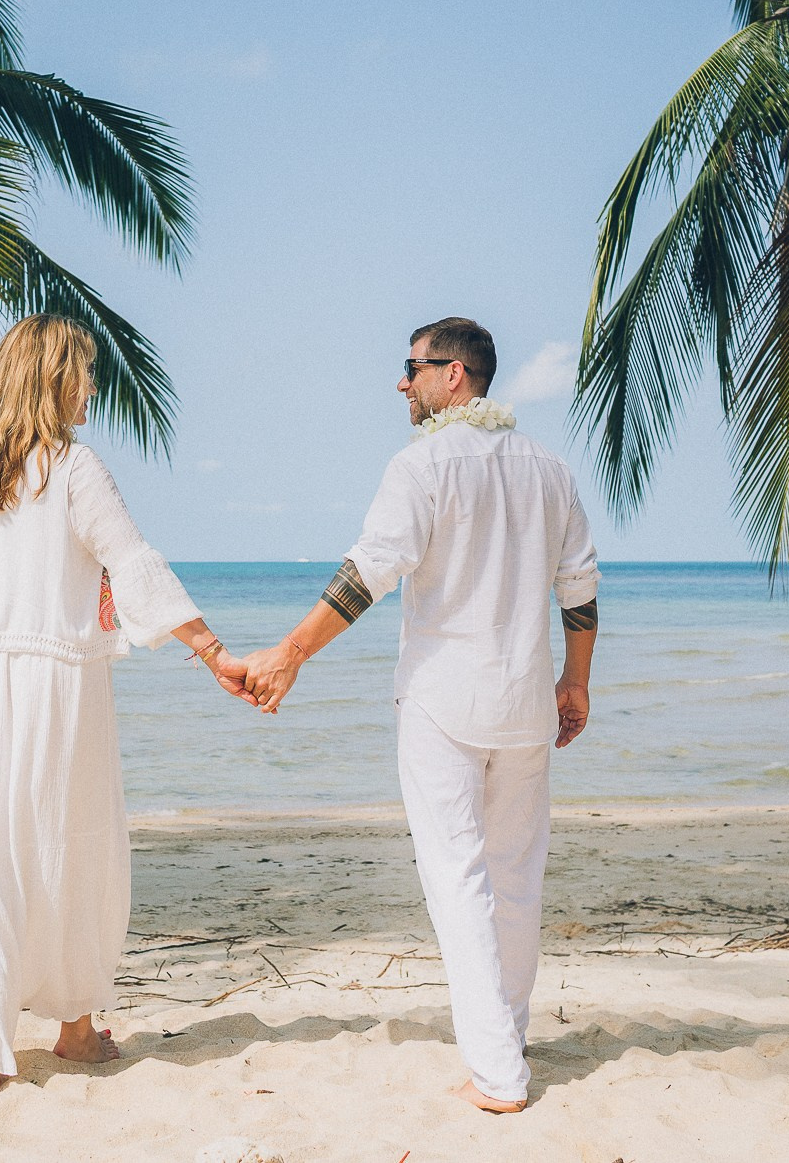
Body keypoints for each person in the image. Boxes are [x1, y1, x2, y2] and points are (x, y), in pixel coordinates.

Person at [229, 317, 599, 1114]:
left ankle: (499, 1072)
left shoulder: (422, 462)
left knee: (458, 878)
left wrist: (290, 653)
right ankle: (508, 1034)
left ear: (455, 374)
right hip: (526, 700)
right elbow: (580, 589)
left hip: (443, 702)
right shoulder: (550, 468)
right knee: (516, 879)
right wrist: (577, 683)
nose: (402, 382)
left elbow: (368, 574)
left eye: (412, 367)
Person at [0, 315, 239, 1096]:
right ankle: (75, 1028)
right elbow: (132, 565)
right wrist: (214, 651)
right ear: (52, 379)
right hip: (57, 685)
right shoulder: (73, 468)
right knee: (72, 847)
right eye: (83, 372)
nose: (92, 386)